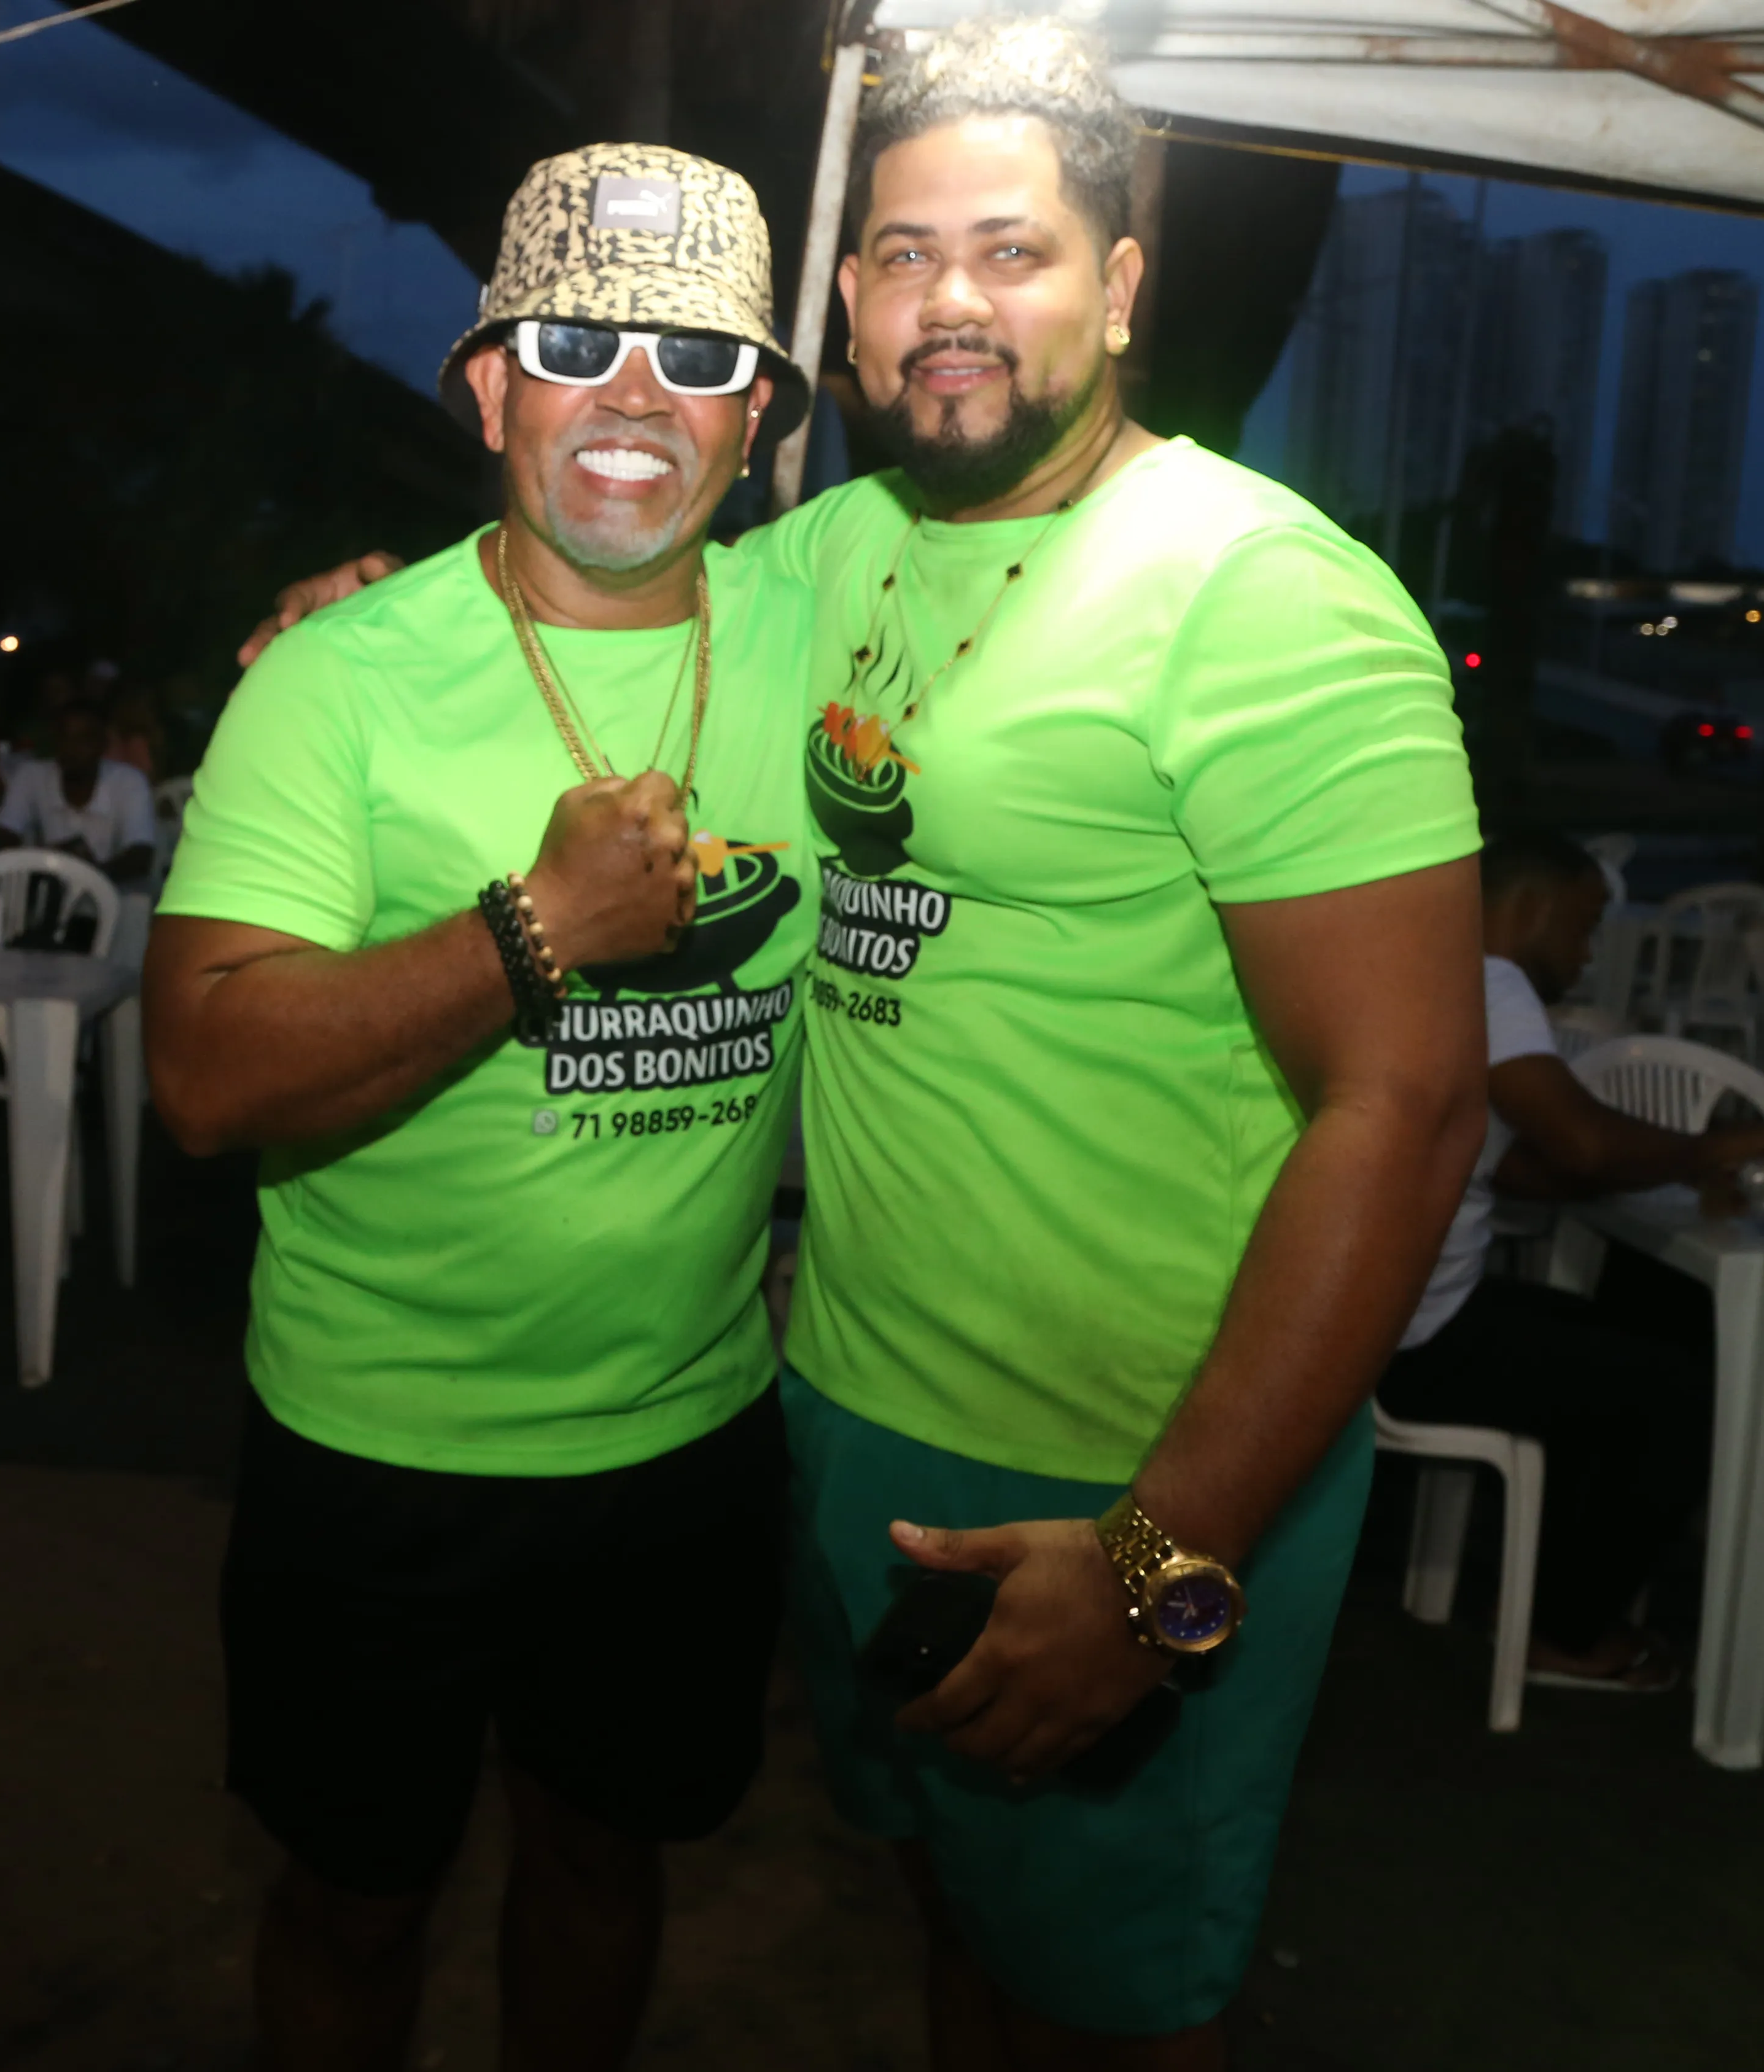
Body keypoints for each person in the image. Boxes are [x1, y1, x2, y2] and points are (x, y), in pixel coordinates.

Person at [238, 21, 1490, 2065]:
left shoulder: (1266, 597)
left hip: (1127, 1461)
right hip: (845, 1428)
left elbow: (1411, 1102)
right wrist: (373, 612)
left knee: (1107, 1997)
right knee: (955, 1920)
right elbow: (586, 581)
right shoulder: (829, 555)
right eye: (906, 256)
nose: (952, 303)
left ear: (1119, 283)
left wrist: (1160, 1550)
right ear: (844, 304)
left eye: (1012, 250)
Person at [147, 144, 818, 2071]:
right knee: (356, 1898)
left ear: (757, 418)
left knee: (604, 1859)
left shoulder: (835, 627)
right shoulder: (332, 682)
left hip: (684, 1436)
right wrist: (534, 929)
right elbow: (201, 1073)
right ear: (486, 390)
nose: (634, 395)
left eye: (695, 356)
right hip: (376, 1444)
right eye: (575, 344)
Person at [1383, 828, 1749, 1689]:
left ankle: (1553, 1592)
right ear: (1532, 906)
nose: (1586, 957)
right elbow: (1580, 1143)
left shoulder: (1422, 968)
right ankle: (1564, 1633)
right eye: (1583, 927)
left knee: (1649, 1315)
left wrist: (1663, 1165)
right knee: (1677, 1391)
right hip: (1417, 1338)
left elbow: (1511, 1164)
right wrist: (1720, 1146)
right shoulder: (1490, 978)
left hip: (1389, 1319)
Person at [0, 698, 158, 884]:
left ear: (102, 744)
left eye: (83, 740)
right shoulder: (31, 775)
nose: (71, 748)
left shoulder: (130, 781)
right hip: (47, 891)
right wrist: (48, 859)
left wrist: (86, 875)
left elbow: (141, 855)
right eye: (64, 737)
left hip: (116, 894)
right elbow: (4, 838)